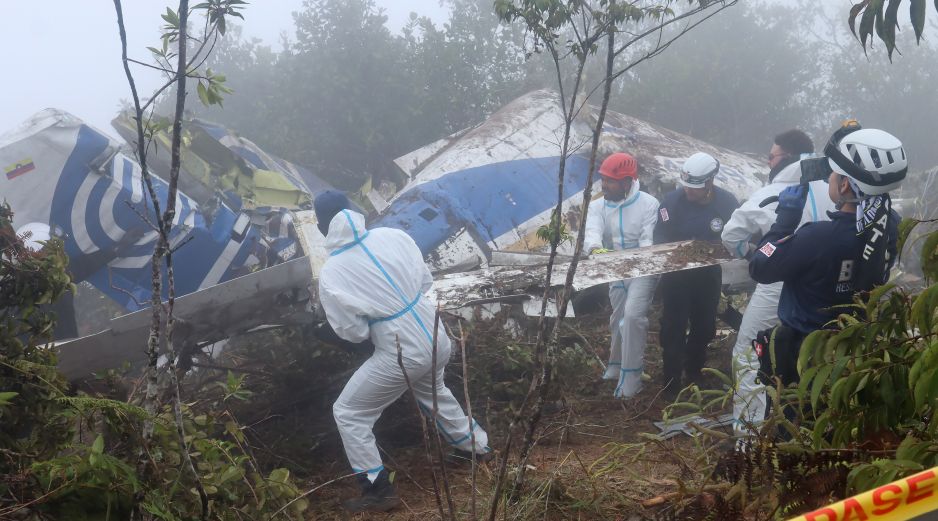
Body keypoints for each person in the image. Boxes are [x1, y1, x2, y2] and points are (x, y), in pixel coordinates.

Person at [314, 190, 492, 513]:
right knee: (434, 388)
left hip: (399, 348)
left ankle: (377, 490)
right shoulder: (393, 236)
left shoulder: (332, 272)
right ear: (354, 210)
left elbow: (353, 333)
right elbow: (425, 283)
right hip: (436, 333)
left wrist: (376, 318)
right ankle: (476, 447)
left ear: (321, 227)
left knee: (349, 413)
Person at [748, 125, 905, 385]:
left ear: (844, 184)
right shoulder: (891, 226)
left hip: (804, 359)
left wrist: (783, 224)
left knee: (794, 423)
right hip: (853, 354)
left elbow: (760, 266)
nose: (828, 178)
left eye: (832, 173)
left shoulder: (818, 237)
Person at [721, 130, 835, 437]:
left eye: (771, 156)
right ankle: (814, 430)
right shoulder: (833, 186)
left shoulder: (775, 192)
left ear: (784, 158)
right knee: (816, 354)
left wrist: (754, 254)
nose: (768, 161)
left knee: (748, 351)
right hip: (824, 284)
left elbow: (731, 234)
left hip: (779, 282)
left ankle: (748, 435)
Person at [654, 152, 739, 395]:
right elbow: (659, 236)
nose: (688, 192)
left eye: (694, 189)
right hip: (676, 275)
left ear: (709, 183)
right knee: (673, 327)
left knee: (704, 327)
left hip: (708, 274)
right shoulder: (671, 202)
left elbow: (736, 234)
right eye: (686, 187)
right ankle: (670, 381)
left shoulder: (727, 203)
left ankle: (693, 370)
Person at [583, 153, 659, 398]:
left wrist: (637, 263)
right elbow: (592, 232)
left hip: (643, 269)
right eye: (603, 179)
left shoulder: (649, 204)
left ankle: (631, 380)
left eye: (611, 181)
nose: (605, 185)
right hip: (615, 267)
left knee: (633, 317)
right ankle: (615, 367)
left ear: (627, 182)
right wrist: (595, 249)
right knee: (617, 318)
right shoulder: (598, 206)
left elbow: (648, 242)